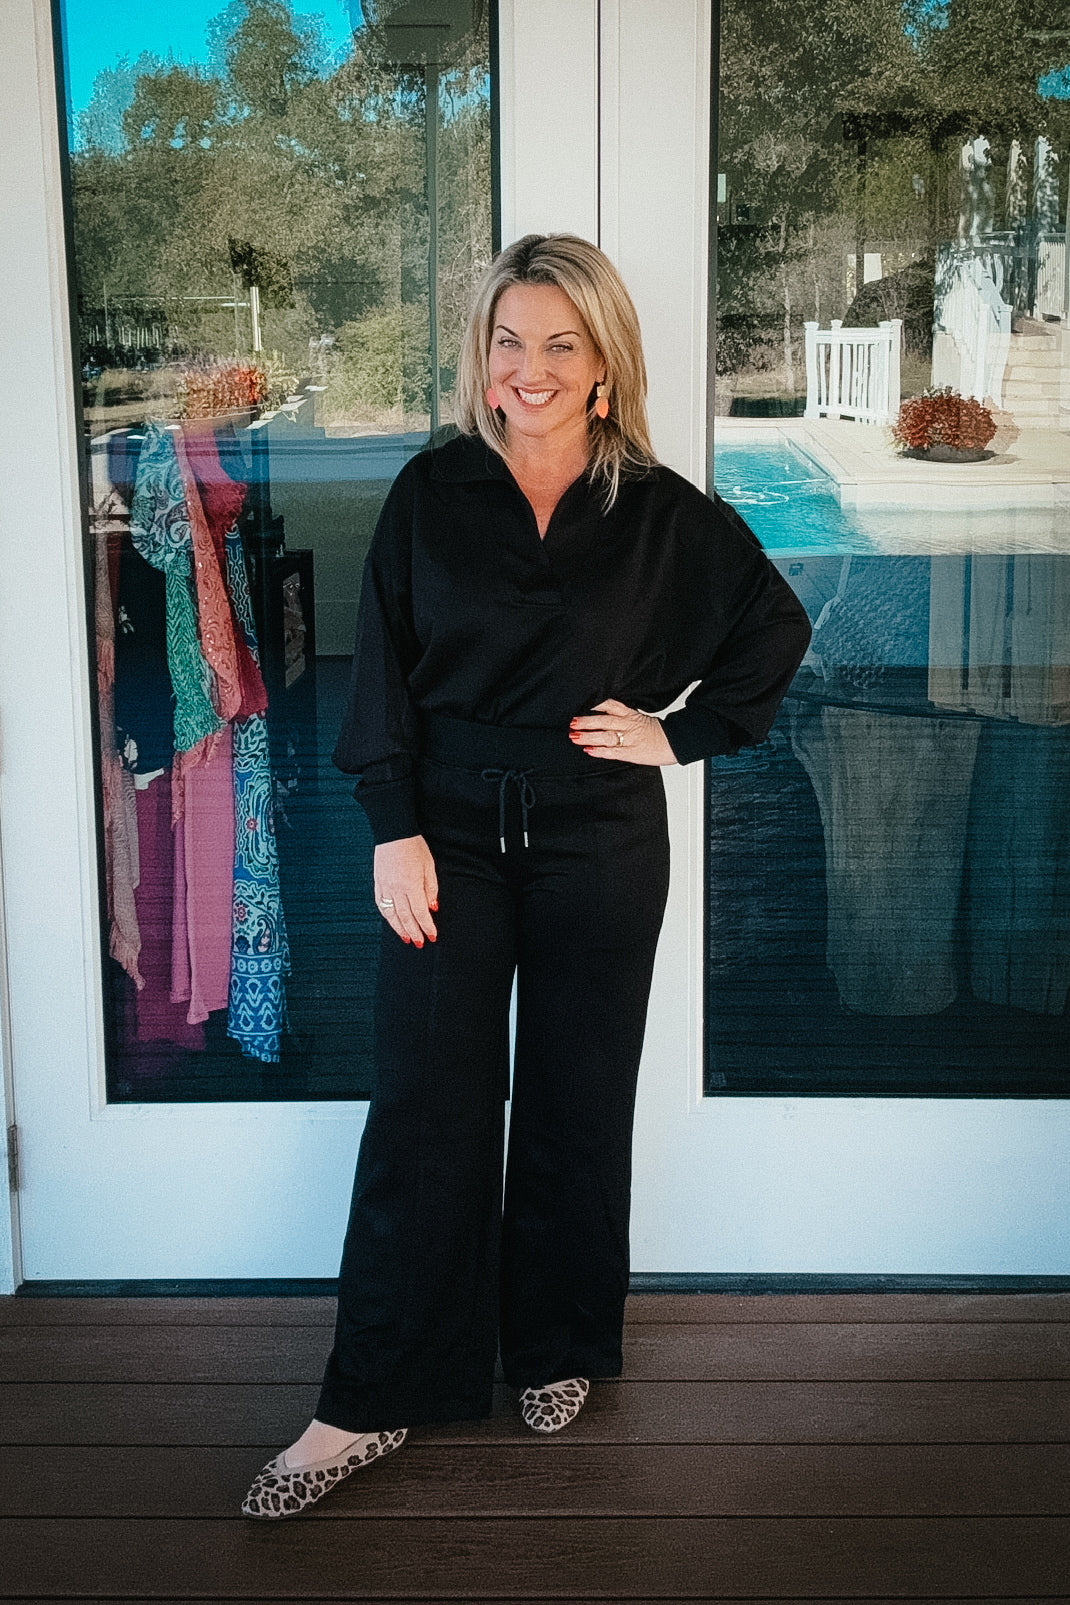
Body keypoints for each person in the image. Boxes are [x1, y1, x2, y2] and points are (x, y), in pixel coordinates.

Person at [242, 233, 811, 1519]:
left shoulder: (658, 512)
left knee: (574, 1097)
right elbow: (382, 667)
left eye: (561, 343)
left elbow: (771, 627)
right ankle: (370, 1395)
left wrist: (680, 733)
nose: (531, 367)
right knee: (425, 1106)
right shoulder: (431, 490)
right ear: (483, 358)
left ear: (603, 364)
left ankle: (554, 1343)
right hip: (444, 835)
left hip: (597, 835)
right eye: (510, 341)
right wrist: (392, 825)